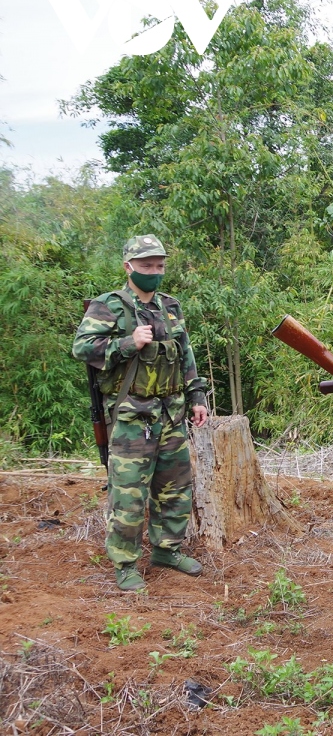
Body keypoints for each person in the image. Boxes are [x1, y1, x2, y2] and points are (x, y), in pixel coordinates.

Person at [71, 235, 210, 593]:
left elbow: (185, 354)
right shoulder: (109, 306)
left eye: (159, 265)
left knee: (175, 488)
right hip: (132, 416)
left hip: (171, 411)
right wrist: (127, 342)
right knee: (129, 494)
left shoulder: (170, 306)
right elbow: (82, 347)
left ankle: (167, 551)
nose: (154, 272)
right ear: (128, 266)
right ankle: (126, 563)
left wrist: (197, 396)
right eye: (147, 265)